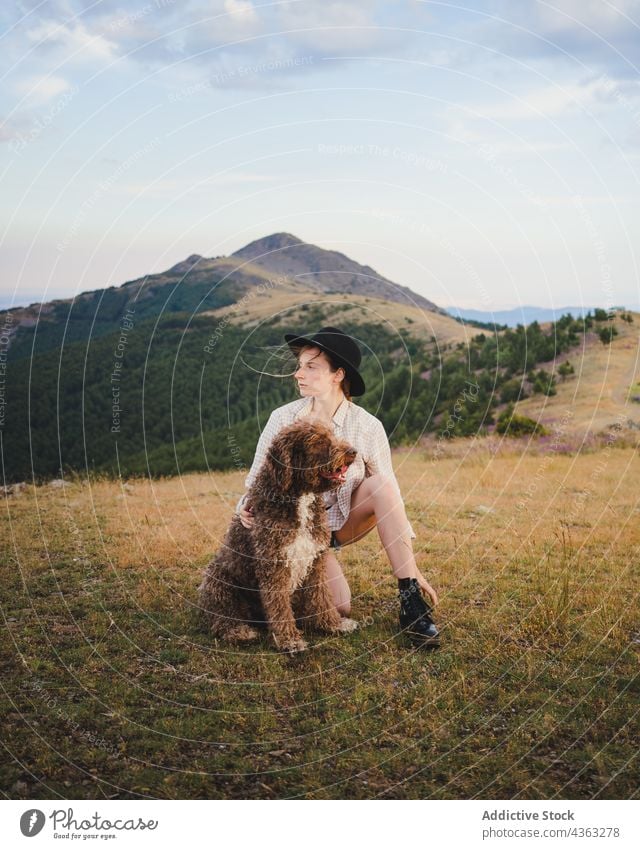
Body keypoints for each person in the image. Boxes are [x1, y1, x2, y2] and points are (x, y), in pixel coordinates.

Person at [235, 326, 440, 646]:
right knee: (340, 606)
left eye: (310, 366)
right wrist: (245, 508)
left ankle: (411, 603)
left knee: (382, 485)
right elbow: (255, 480)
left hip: (344, 524)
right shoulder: (282, 418)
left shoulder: (368, 426)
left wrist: (412, 570)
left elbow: (393, 499)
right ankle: (283, 594)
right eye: (299, 366)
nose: (298, 374)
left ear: (337, 374)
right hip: (296, 529)